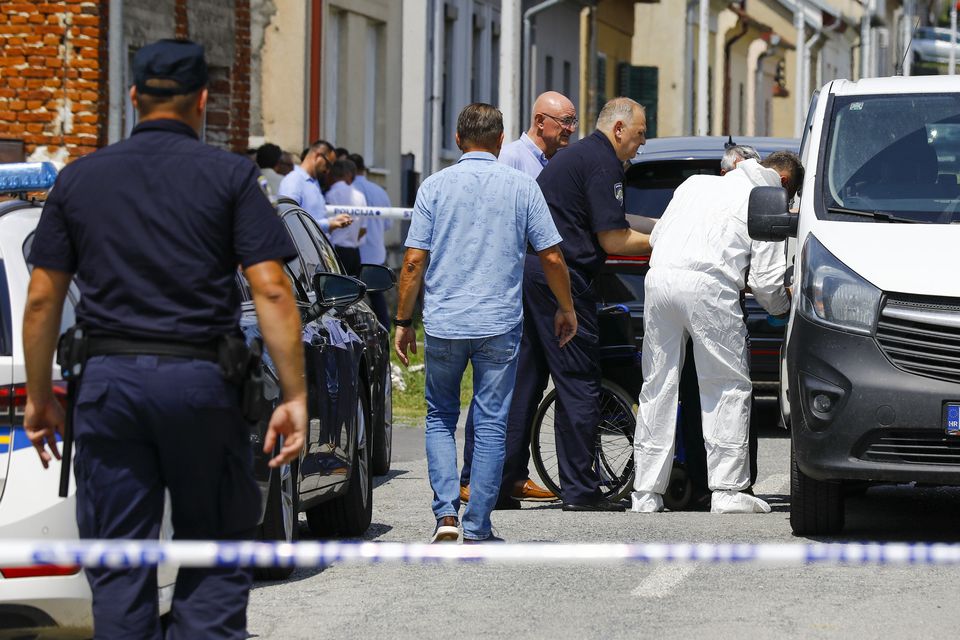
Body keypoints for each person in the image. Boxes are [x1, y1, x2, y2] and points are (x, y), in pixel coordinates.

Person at [21, 39, 308, 638]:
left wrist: (40, 395)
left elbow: (44, 296)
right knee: (214, 550)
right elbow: (273, 290)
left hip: (110, 389)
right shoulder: (230, 176)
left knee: (121, 562)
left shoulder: (80, 179)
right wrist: (294, 397)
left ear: (132, 96)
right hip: (202, 385)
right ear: (203, 99)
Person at [394, 103, 577, 543]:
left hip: (445, 321)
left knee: (439, 416)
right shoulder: (520, 186)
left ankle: (445, 516)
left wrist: (403, 320)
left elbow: (414, 261)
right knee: (492, 421)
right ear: (500, 141)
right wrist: (566, 307)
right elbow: (551, 255)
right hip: (499, 320)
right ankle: (478, 523)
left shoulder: (434, 187)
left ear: (458, 140)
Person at [631, 151, 804, 515]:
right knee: (726, 385)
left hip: (659, 278)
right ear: (785, 183)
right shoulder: (767, 199)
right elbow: (767, 282)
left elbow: (658, 235)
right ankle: (727, 490)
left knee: (658, 386)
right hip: (710, 286)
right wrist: (785, 309)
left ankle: (646, 492)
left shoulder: (695, 183)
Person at [502, 97, 652, 512]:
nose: (641, 145)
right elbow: (614, 239)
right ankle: (581, 490)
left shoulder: (585, 156)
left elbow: (614, 220)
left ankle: (501, 480)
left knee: (526, 381)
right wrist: (669, 241)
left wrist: (662, 224)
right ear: (619, 129)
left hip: (534, 273)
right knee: (578, 381)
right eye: (640, 136)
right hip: (560, 279)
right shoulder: (603, 163)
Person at [459, 90, 579, 506]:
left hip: (535, 283)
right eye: (564, 121)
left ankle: (512, 474)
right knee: (496, 381)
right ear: (540, 120)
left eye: (573, 121)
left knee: (526, 383)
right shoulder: (511, 159)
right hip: (509, 282)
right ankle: (472, 476)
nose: (570, 129)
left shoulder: (554, 163)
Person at [679, 142, 764, 511]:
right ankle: (719, 485)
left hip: (684, 298)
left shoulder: (696, 195)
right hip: (714, 300)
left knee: (702, 393)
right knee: (722, 391)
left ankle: (712, 484)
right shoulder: (736, 199)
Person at [349, 152, 393, 330]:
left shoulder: (348, 190)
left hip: (354, 252)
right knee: (377, 297)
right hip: (375, 252)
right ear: (364, 169)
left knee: (350, 297)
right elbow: (388, 223)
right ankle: (385, 330)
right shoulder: (380, 191)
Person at [498, 90, 578, 176]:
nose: (572, 129)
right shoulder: (509, 158)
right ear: (540, 121)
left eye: (573, 122)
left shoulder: (564, 162)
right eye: (566, 121)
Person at [279, 139, 351, 233]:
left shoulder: (313, 182)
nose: (328, 171)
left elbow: (314, 217)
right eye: (328, 165)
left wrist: (332, 222)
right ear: (318, 156)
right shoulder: (293, 181)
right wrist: (329, 224)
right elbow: (290, 222)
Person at [323, 158, 367, 276]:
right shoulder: (360, 196)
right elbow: (363, 229)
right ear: (349, 175)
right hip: (354, 252)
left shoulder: (330, 195)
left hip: (336, 251)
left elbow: (326, 225)